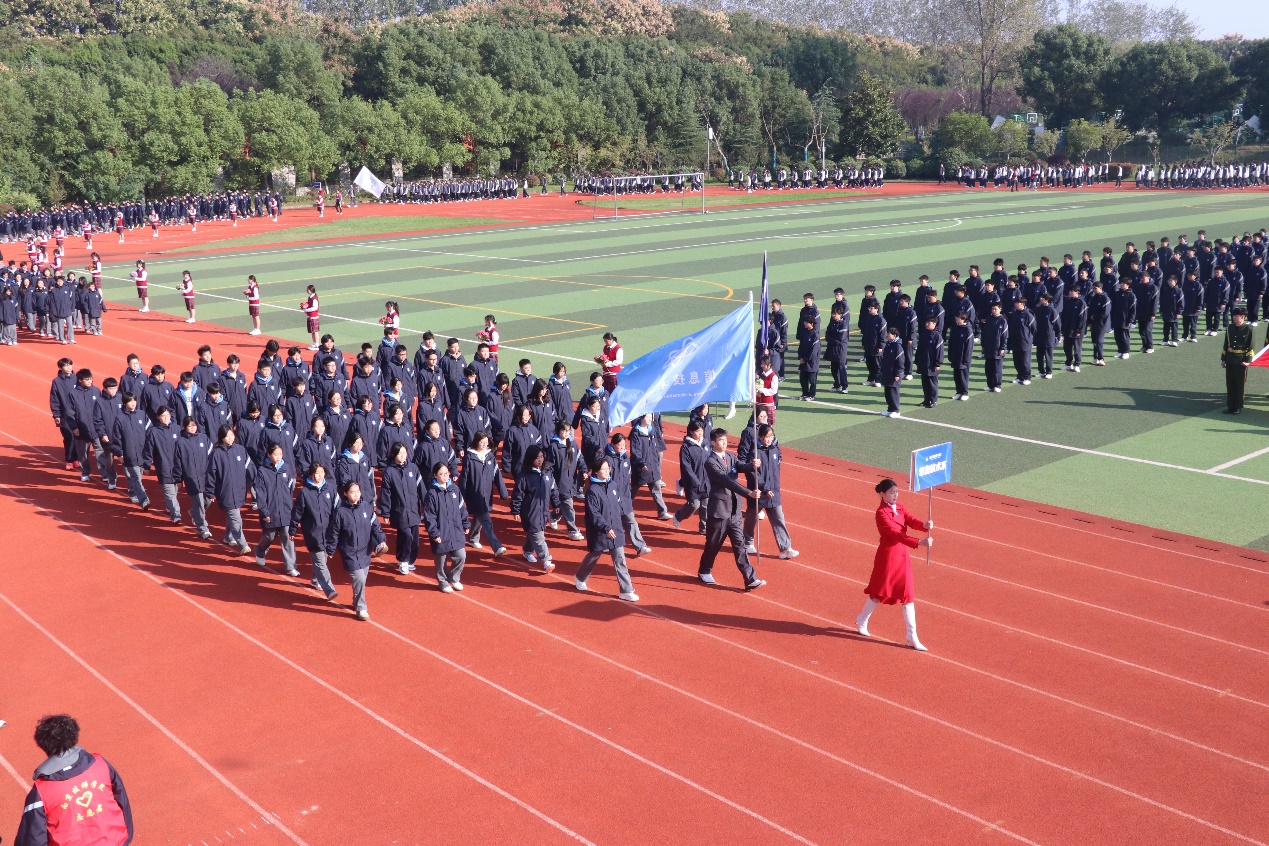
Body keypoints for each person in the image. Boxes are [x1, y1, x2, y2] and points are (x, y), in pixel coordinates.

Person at [14, 714, 134, 846]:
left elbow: (33, 837)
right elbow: (121, 800)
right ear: (74, 736)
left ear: (42, 744)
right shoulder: (101, 764)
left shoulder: (41, 790)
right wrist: (124, 838)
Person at [855, 478, 932, 651]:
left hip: (902, 555)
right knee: (879, 593)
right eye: (891, 493)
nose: (895, 495)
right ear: (883, 494)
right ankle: (862, 619)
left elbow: (911, 520)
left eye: (896, 492)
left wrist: (924, 525)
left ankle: (912, 635)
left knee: (908, 595)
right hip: (888, 557)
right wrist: (919, 542)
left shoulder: (900, 507)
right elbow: (895, 534)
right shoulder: (881, 513)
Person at [697, 428, 764, 590]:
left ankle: (750, 579)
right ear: (713, 443)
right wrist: (748, 493)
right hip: (719, 511)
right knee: (713, 544)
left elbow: (740, 466)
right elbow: (727, 481)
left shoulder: (730, 457)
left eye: (726, 440)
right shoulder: (710, 462)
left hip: (734, 511)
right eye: (721, 440)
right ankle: (704, 570)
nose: (725, 443)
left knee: (740, 546)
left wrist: (752, 465)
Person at [575, 455, 640, 601]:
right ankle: (580, 577)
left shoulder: (613, 485)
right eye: (603, 469)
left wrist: (620, 522)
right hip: (599, 531)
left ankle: (626, 590)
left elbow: (618, 506)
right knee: (594, 556)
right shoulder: (592, 491)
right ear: (596, 471)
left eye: (607, 468)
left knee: (620, 560)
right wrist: (605, 527)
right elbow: (594, 513)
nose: (607, 471)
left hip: (615, 529)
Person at [325, 480, 388, 620]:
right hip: (349, 552)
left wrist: (381, 539)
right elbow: (334, 532)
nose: (356, 495)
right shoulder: (340, 512)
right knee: (359, 578)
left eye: (358, 491)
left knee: (362, 579)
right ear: (345, 494)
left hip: (365, 551)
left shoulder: (366, 508)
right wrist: (331, 548)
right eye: (352, 492)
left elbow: (375, 526)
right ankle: (361, 608)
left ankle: (355, 600)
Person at [742, 424, 797, 559]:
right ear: (760, 437)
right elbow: (753, 473)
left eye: (771, 436)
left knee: (779, 519)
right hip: (759, 493)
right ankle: (747, 542)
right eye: (767, 437)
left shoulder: (775, 450)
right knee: (751, 519)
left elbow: (776, 469)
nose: (769, 439)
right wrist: (764, 488)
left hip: (774, 492)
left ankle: (785, 548)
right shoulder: (754, 452)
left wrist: (774, 487)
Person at [422, 461, 470, 592]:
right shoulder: (432, 494)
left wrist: (465, 523)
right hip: (441, 532)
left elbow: (462, 508)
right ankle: (442, 581)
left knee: (461, 556)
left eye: (446, 473)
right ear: (435, 475)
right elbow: (429, 516)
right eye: (441, 474)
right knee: (441, 560)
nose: (445, 476)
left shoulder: (454, 489)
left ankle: (454, 577)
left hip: (455, 530)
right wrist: (434, 533)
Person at [510, 444, 559, 570]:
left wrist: (556, 503)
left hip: (543, 510)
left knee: (534, 531)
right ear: (530, 459)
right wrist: (515, 509)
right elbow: (518, 494)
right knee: (538, 534)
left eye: (542, 457)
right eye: (537, 458)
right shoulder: (524, 476)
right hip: (530, 511)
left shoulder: (547, 472)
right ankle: (546, 561)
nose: (540, 460)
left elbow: (553, 489)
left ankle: (527, 551)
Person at [205, 425, 251, 554]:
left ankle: (228, 537)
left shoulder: (240, 450)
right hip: (225, 491)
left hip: (239, 489)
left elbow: (250, 467)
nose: (230, 438)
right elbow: (211, 474)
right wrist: (210, 491)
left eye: (232, 435)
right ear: (221, 438)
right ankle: (243, 545)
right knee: (236, 519)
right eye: (227, 436)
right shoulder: (216, 454)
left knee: (233, 514)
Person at [379, 443, 424, 575]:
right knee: (406, 535)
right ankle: (403, 559)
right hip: (400, 511)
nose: (403, 456)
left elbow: (421, 487)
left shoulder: (413, 468)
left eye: (405, 452)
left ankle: (410, 560)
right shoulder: (389, 471)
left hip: (414, 509)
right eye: (400, 453)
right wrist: (385, 512)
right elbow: (386, 493)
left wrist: (427, 504)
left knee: (415, 539)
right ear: (394, 455)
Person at [254, 442, 298, 575]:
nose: (278, 457)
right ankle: (260, 551)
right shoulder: (262, 471)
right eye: (275, 454)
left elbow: (290, 488)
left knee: (288, 538)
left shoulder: (286, 468)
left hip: (286, 510)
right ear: (269, 455)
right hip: (271, 510)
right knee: (269, 536)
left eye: (280, 454)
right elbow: (260, 493)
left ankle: (290, 567)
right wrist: (264, 511)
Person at [173, 415, 212, 540]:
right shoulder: (180, 443)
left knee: (208, 500)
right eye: (190, 426)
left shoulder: (203, 438)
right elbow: (177, 462)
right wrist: (178, 479)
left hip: (205, 476)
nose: (193, 428)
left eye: (194, 425)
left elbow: (211, 455)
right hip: (191, 477)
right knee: (199, 502)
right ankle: (202, 528)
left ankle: (194, 512)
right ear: (185, 427)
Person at [1222, 307, 1254, 414]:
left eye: (1236, 316)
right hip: (1230, 358)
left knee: (1239, 384)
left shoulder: (1248, 329)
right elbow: (1226, 344)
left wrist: (1247, 360)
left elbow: (1251, 346)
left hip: (1241, 360)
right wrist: (1224, 358)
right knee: (1230, 383)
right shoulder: (1230, 327)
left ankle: (1238, 406)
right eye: (1234, 315)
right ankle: (1230, 406)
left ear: (1243, 317)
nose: (1234, 317)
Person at [915, 315, 943, 407]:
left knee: (932, 383)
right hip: (924, 362)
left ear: (934, 324)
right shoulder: (923, 334)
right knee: (925, 382)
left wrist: (938, 363)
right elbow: (919, 348)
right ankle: (926, 400)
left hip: (932, 364)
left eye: (929, 323)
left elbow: (939, 352)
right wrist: (917, 359)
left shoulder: (937, 336)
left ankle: (933, 401)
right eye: (926, 322)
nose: (926, 324)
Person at [1061, 285, 1089, 372]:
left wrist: (1079, 330)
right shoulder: (1068, 301)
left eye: (1071, 291)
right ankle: (1068, 363)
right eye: (1069, 291)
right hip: (1067, 329)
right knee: (1067, 348)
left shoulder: (1081, 303)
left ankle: (1077, 364)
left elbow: (1083, 319)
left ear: (1077, 292)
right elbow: (1064, 315)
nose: (1069, 292)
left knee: (1077, 349)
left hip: (1076, 331)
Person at [1008, 300, 1035, 384]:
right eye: (1015, 303)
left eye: (1018, 303)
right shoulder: (1013, 314)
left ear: (1023, 304)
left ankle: (1027, 377)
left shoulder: (1028, 315)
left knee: (1025, 361)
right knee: (1017, 360)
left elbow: (1034, 328)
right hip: (1015, 341)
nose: (1016, 305)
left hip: (1025, 341)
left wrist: (1028, 337)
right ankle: (1020, 376)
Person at [947, 312, 974, 400]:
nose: (956, 319)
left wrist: (966, 359)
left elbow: (969, 346)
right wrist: (950, 355)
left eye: (958, 317)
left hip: (963, 358)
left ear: (963, 318)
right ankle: (958, 392)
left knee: (963, 376)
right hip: (955, 356)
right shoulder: (955, 328)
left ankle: (965, 393)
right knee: (957, 376)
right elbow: (951, 342)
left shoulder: (968, 330)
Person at [879, 326, 904, 417]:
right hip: (887, 372)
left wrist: (897, 373)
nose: (887, 335)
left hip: (894, 373)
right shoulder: (889, 344)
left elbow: (900, 362)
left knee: (893, 392)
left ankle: (896, 410)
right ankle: (890, 409)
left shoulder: (898, 347)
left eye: (889, 333)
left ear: (894, 335)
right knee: (888, 391)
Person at [825, 307, 849, 393]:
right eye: (833, 314)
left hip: (840, 349)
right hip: (832, 349)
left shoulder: (843, 324)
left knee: (841, 368)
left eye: (835, 314)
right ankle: (837, 385)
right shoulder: (832, 323)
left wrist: (831, 339)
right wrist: (831, 338)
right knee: (834, 368)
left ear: (840, 315)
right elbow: (827, 334)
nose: (833, 315)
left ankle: (844, 387)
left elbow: (840, 338)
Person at [796, 314, 820, 399]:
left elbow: (814, 350)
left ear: (811, 323)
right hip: (804, 361)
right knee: (803, 379)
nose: (804, 323)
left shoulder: (815, 335)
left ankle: (811, 395)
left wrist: (806, 359)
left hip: (812, 362)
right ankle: (805, 393)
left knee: (812, 380)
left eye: (806, 322)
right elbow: (801, 347)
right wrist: (801, 357)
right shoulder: (804, 333)